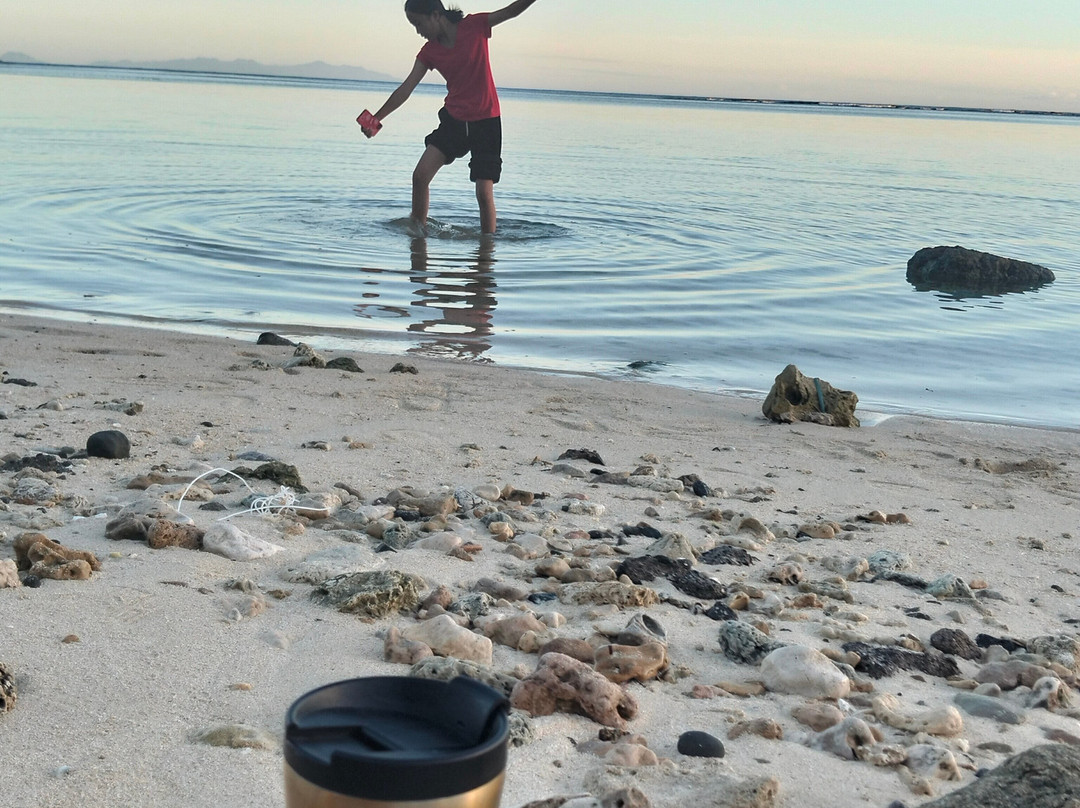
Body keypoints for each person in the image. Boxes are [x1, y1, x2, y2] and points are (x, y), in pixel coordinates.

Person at [362, 0, 541, 235]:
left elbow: (510, 11)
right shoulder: (429, 51)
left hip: (486, 122)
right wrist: (376, 118)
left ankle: (486, 249)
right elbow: (406, 88)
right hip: (454, 121)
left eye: (419, 24)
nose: (418, 31)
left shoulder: (475, 26)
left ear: (436, 15)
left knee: (483, 193)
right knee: (420, 176)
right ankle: (417, 237)